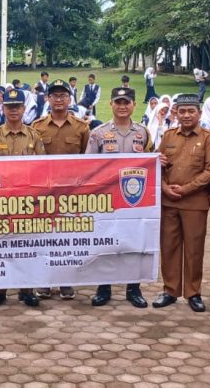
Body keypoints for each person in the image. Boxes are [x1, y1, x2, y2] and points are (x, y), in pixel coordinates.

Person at [85, 87, 152, 308]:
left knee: (135, 244)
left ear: (134, 105)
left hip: (136, 201)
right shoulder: (99, 133)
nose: (122, 106)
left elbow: (152, 161)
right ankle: (103, 287)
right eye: (118, 102)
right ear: (111, 104)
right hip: (107, 201)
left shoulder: (143, 133)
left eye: (127, 102)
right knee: (105, 244)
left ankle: (134, 289)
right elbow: (88, 166)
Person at [153, 94, 210, 312]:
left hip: (194, 203)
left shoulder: (209, 138)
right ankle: (170, 290)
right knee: (169, 247)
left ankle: (193, 292)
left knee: (194, 249)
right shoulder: (169, 136)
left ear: (199, 113)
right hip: (168, 201)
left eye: (191, 111)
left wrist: (187, 188)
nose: (187, 115)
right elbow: (156, 164)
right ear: (176, 113)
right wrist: (163, 187)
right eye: (182, 111)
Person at [0, 88, 46, 307]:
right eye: (9, 107)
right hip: (1, 202)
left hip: (27, 202)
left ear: (23, 108)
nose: (13, 111)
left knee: (26, 247)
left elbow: (43, 168)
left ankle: (26, 289)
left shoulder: (34, 136)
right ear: (3, 108)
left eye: (17, 106)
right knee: (0, 246)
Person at [29, 79, 91, 299]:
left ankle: (66, 281)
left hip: (71, 193)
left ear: (69, 99)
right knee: (44, 237)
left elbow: (88, 160)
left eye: (63, 95)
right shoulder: (37, 127)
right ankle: (44, 281)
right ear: (47, 99)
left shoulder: (81, 128)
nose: (58, 99)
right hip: (44, 192)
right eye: (54, 95)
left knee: (68, 238)